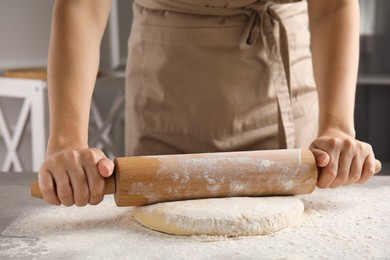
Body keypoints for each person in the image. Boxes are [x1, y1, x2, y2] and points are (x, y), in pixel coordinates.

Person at [39, 0, 377, 207]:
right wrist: (67, 139)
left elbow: (334, 5)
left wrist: (337, 125)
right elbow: (81, 4)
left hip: (283, 83)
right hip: (168, 84)